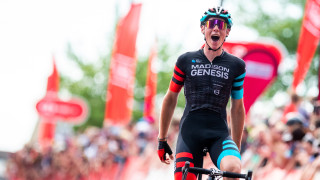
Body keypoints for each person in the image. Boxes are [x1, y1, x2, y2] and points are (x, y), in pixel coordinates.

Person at [157, 6, 246, 180]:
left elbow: (237, 107)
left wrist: (236, 146)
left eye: (221, 25)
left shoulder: (237, 65)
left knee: (233, 168)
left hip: (218, 133)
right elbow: (170, 98)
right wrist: (162, 139)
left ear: (227, 31)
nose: (216, 28)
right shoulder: (185, 60)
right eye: (211, 23)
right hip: (190, 133)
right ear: (202, 28)